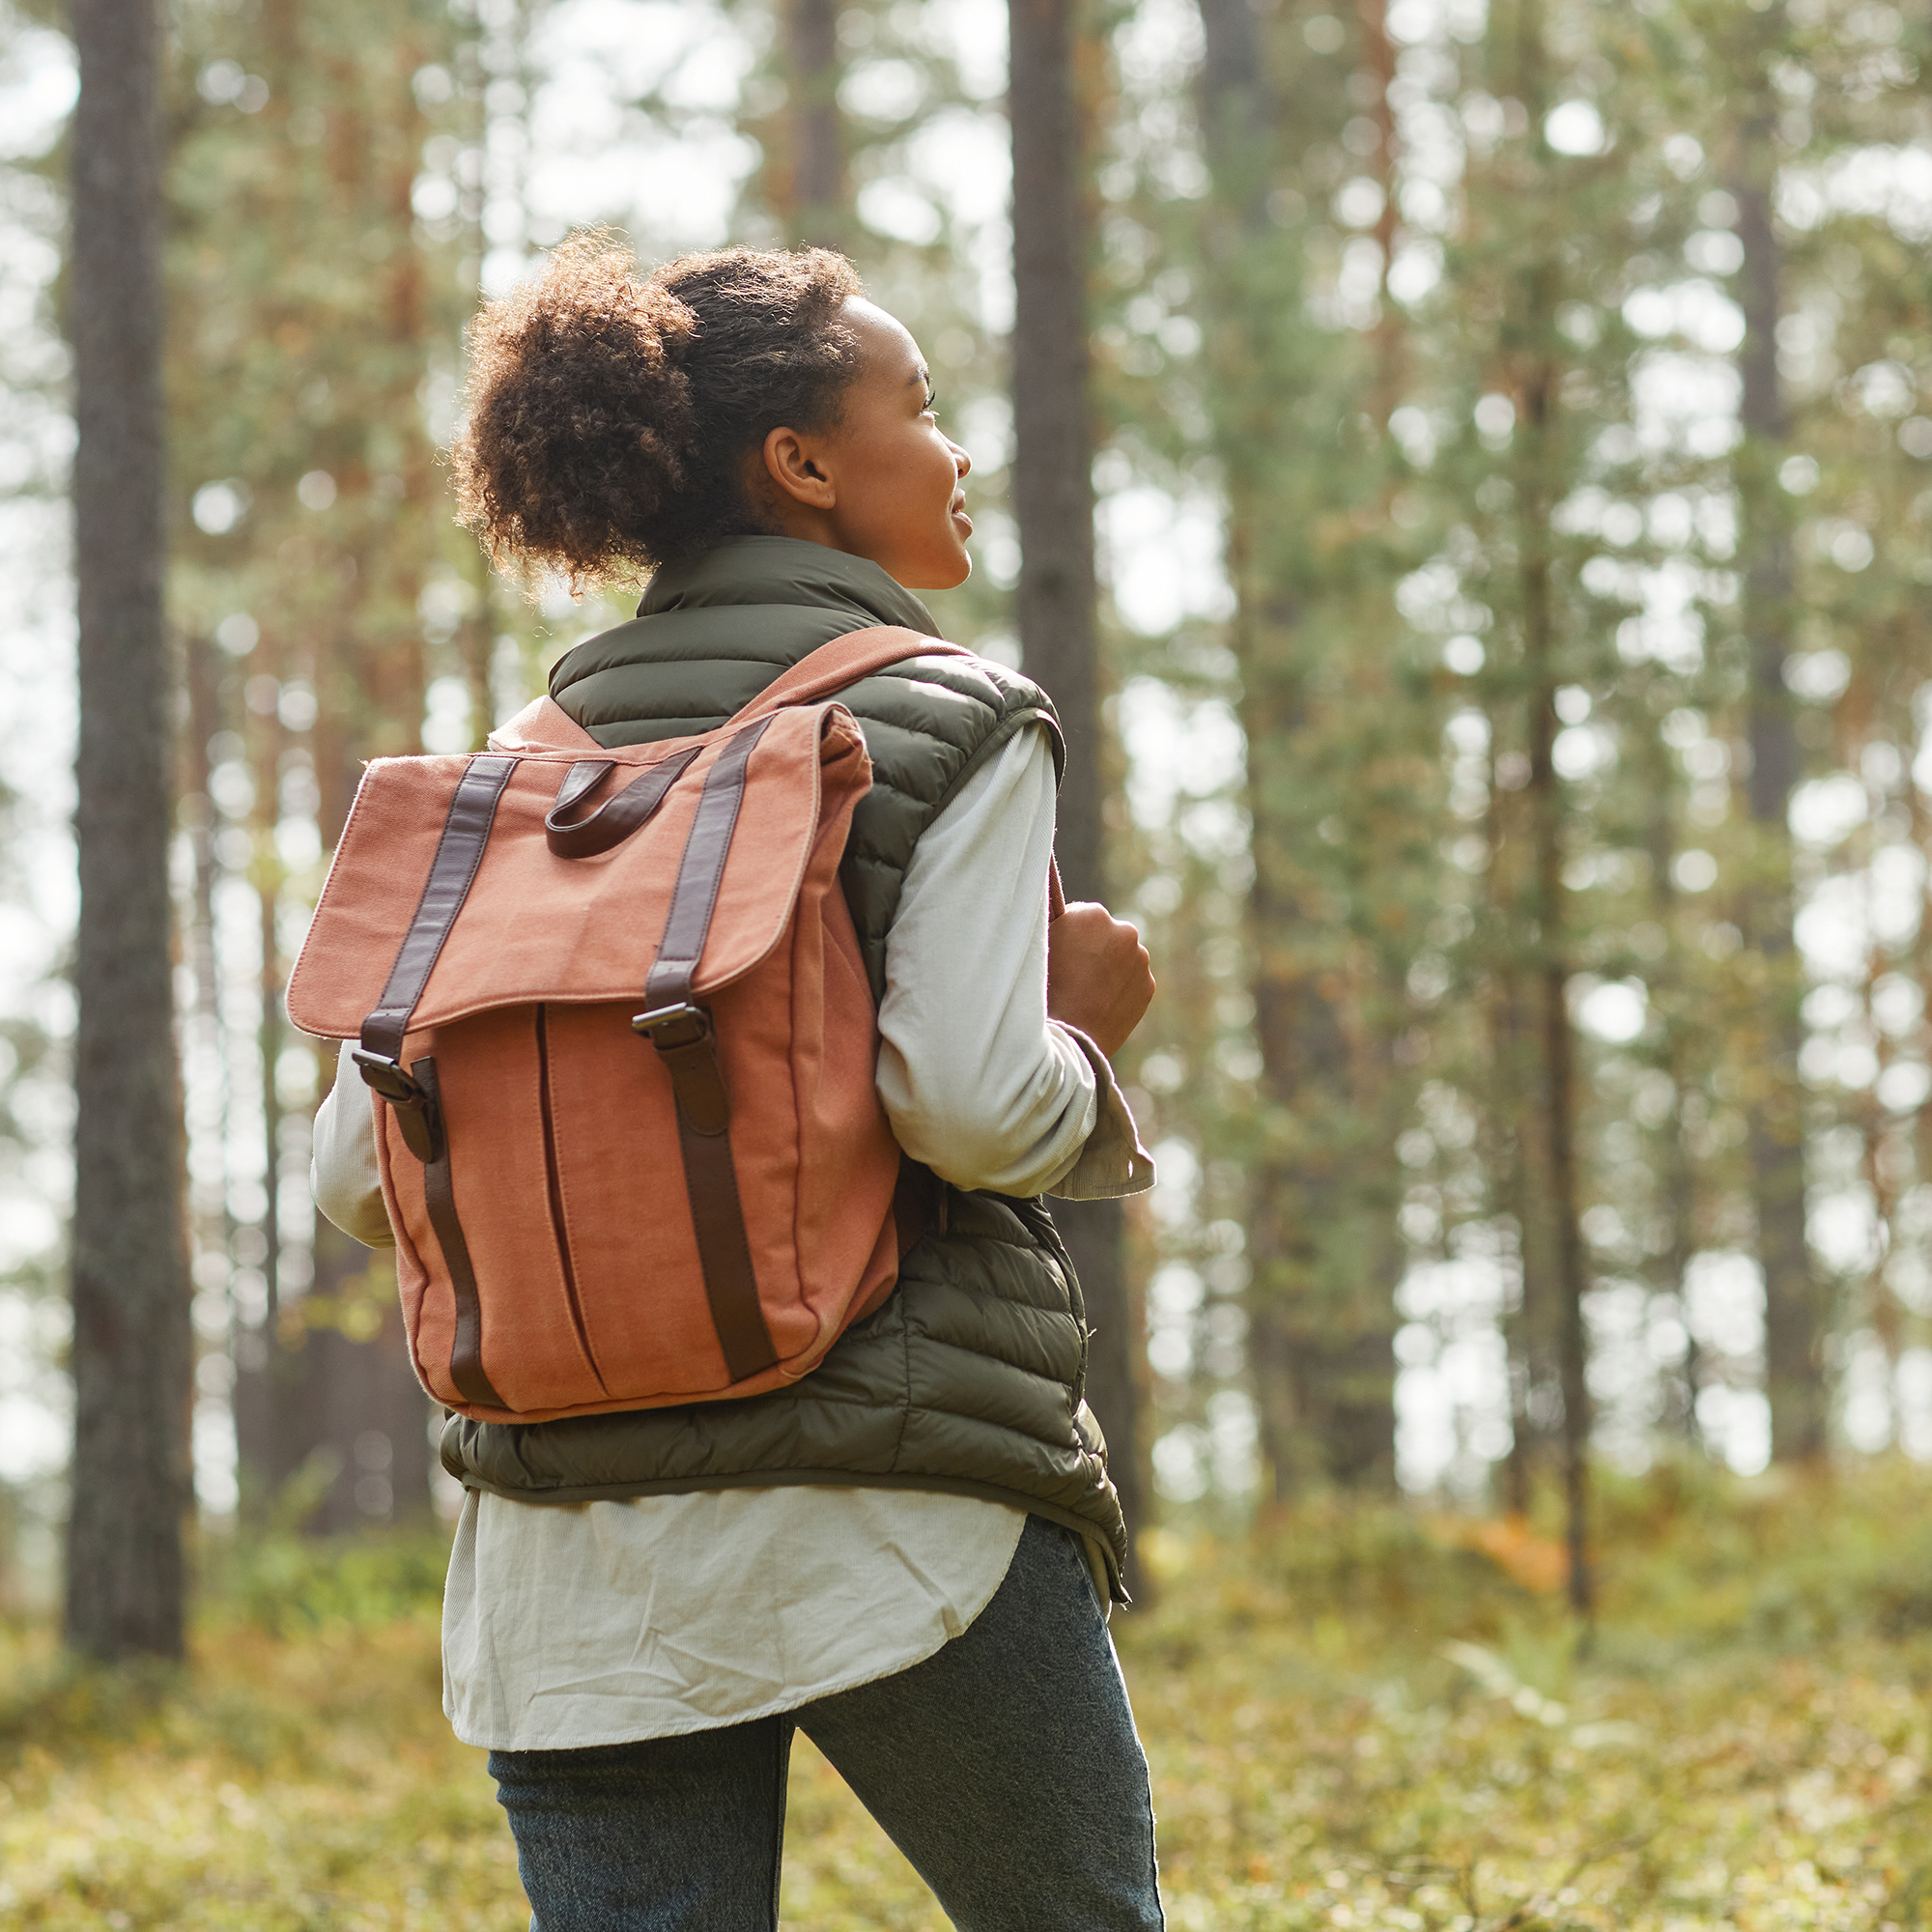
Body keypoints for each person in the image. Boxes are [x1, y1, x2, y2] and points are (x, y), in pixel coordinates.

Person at [311, 235, 1162, 1932]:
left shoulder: (510, 782)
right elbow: (975, 1111)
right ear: (804, 465)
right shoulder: (947, 718)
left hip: (571, 1562)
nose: (955, 446)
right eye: (918, 406)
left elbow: (358, 1174)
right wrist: (1085, 1036)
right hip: (892, 1509)